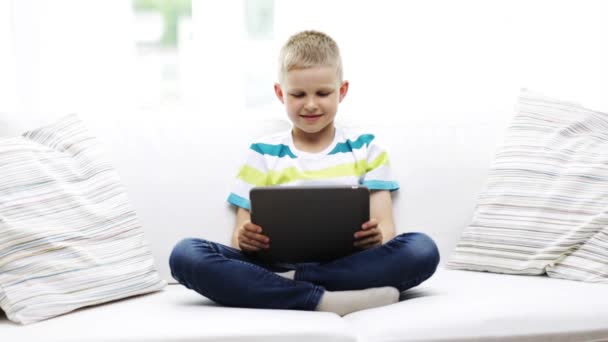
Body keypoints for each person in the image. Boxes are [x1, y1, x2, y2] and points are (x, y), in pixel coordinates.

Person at [169, 30, 440, 316]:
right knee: (185, 254)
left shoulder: (366, 149)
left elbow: (385, 228)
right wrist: (246, 239)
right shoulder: (263, 152)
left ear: (342, 91)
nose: (310, 104)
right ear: (280, 93)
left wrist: (375, 238)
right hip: (274, 266)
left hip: (350, 265)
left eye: (323, 93)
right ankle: (323, 299)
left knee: (422, 249)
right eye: (298, 94)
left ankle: (282, 288)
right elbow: (239, 236)